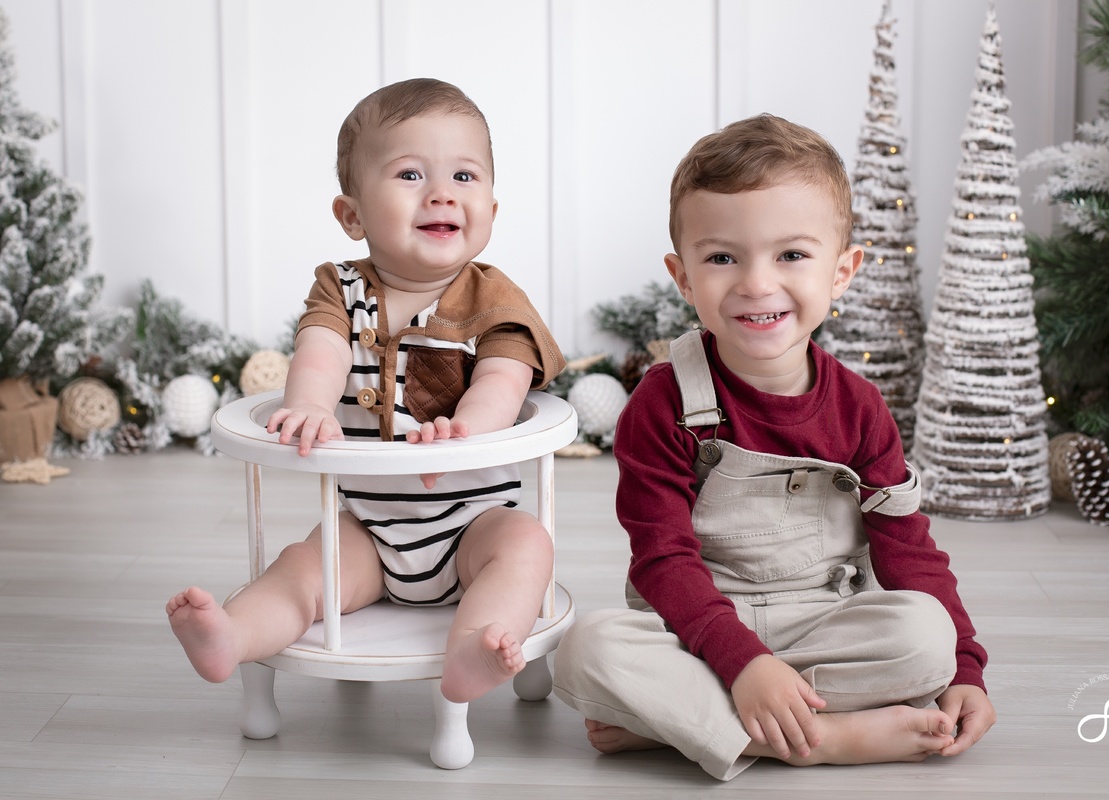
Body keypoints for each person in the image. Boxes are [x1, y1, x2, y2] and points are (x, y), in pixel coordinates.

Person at [552, 114, 995, 780]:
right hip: (694, 622)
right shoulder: (663, 402)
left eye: (790, 255)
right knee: (584, 649)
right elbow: (661, 560)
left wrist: (965, 667)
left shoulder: (860, 409)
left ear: (842, 271)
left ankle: (686, 721)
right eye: (723, 257)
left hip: (822, 616)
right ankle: (825, 737)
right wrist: (742, 661)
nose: (757, 283)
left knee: (925, 637)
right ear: (682, 276)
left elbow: (908, 548)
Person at [167, 78, 564, 705]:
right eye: (410, 174)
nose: (441, 193)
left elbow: (503, 378)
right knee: (304, 569)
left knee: (527, 547)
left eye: (465, 177)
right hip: (372, 528)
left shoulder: (494, 299)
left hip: (473, 525)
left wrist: (465, 430)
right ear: (352, 214)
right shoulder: (341, 290)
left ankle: (475, 650)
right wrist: (311, 405)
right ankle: (234, 634)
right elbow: (320, 351)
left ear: (491, 207)